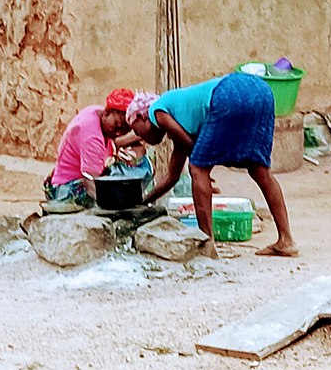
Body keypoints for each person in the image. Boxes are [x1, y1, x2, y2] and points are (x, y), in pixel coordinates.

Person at [125, 72, 298, 258]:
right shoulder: (180, 117)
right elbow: (172, 177)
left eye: (137, 130)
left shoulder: (157, 111)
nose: (141, 138)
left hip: (228, 93)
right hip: (261, 92)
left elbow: (193, 153)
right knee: (259, 169)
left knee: (197, 168)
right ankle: (286, 240)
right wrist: (142, 202)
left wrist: (203, 170)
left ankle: (207, 243)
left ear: (143, 117)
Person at [43, 88, 149, 206]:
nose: (118, 133)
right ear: (108, 112)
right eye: (117, 126)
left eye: (124, 130)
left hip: (70, 182)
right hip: (66, 190)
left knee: (136, 168)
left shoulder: (97, 113)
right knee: (126, 181)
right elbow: (91, 183)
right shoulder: (91, 135)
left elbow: (116, 144)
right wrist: (111, 207)